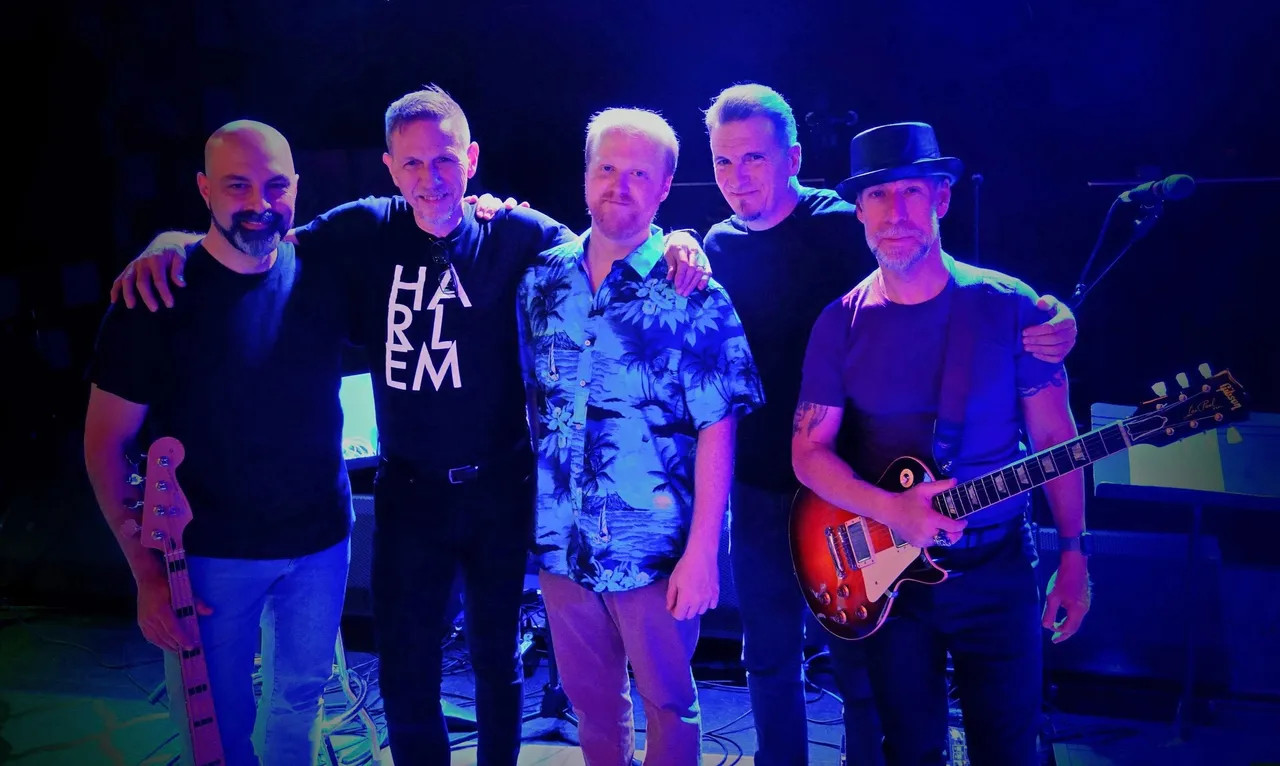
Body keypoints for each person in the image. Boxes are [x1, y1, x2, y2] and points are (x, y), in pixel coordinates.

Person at [109, 86, 710, 766]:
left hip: (500, 488)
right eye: (414, 164)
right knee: (405, 666)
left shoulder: (515, 234)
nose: (431, 179)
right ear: (390, 168)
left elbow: (606, 246)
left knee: (498, 661)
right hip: (409, 493)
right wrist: (172, 242)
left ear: (472, 160)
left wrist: (676, 238)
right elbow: (257, 238)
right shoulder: (361, 230)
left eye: (445, 160)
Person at [701, 83, 1078, 766]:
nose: (737, 176)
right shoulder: (723, 251)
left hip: (902, 511)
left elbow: (1049, 424)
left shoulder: (863, 229)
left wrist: (1056, 318)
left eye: (754, 157)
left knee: (877, 685)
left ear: (792, 158)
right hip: (782, 488)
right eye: (723, 161)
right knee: (776, 665)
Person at [790, 121, 1091, 766]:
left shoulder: (1010, 307)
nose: (894, 213)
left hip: (999, 569)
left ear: (943, 198)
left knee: (1009, 751)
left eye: (910, 192)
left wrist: (1073, 552)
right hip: (894, 578)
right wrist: (892, 509)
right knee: (910, 750)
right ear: (859, 211)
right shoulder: (839, 323)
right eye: (877, 195)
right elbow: (808, 453)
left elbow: (1055, 437)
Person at [84, 120, 353, 766]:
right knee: (217, 731)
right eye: (238, 186)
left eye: (276, 185)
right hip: (206, 559)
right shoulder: (154, 296)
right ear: (204, 189)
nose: (261, 203)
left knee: (300, 705)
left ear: (298, 187)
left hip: (321, 546)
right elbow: (105, 446)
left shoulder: (325, 270)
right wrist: (146, 573)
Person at [517, 108, 763, 765]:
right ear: (585, 174)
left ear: (664, 186)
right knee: (592, 709)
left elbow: (718, 429)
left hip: (657, 550)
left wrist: (704, 553)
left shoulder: (695, 294)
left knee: (669, 707)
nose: (618, 185)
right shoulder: (541, 282)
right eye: (606, 167)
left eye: (637, 173)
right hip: (562, 544)